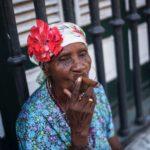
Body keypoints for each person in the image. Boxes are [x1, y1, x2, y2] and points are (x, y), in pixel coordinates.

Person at [16, 19, 122, 150]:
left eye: (82, 54)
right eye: (64, 59)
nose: (79, 66)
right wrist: (79, 134)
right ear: (46, 68)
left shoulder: (96, 90)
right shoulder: (33, 120)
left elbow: (110, 135)